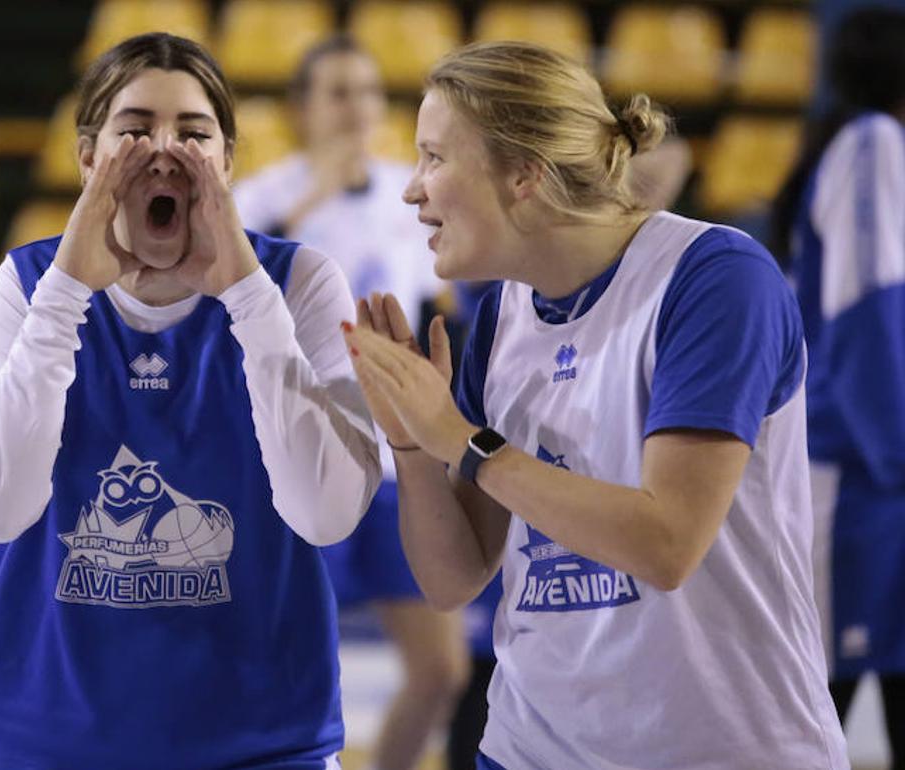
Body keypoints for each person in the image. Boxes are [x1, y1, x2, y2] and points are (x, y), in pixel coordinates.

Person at [340, 41, 849, 769]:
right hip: (529, 749)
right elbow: (453, 581)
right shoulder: (500, 314)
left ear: (524, 175)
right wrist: (414, 442)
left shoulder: (716, 279)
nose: (411, 190)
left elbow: (665, 544)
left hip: (729, 751)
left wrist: (460, 439)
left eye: (434, 158)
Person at [0, 33, 380, 769]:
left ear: (228, 164)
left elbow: (327, 513)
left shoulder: (300, 283)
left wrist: (247, 294)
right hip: (46, 742)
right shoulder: (28, 284)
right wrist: (65, 297)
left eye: (193, 132)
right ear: (89, 160)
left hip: (263, 744)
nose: (164, 149)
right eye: (136, 129)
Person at [233, 36, 466, 770]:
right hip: (299, 460)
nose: (357, 107)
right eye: (337, 91)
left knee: (442, 672)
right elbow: (231, 304)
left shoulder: (412, 191)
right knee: (286, 673)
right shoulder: (263, 197)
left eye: (368, 91)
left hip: (397, 465)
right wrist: (313, 199)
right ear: (302, 108)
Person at [771, 7, 905, 763]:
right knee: (815, 710)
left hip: (873, 466)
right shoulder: (874, 143)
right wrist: (895, 453)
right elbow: (866, 313)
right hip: (856, 470)